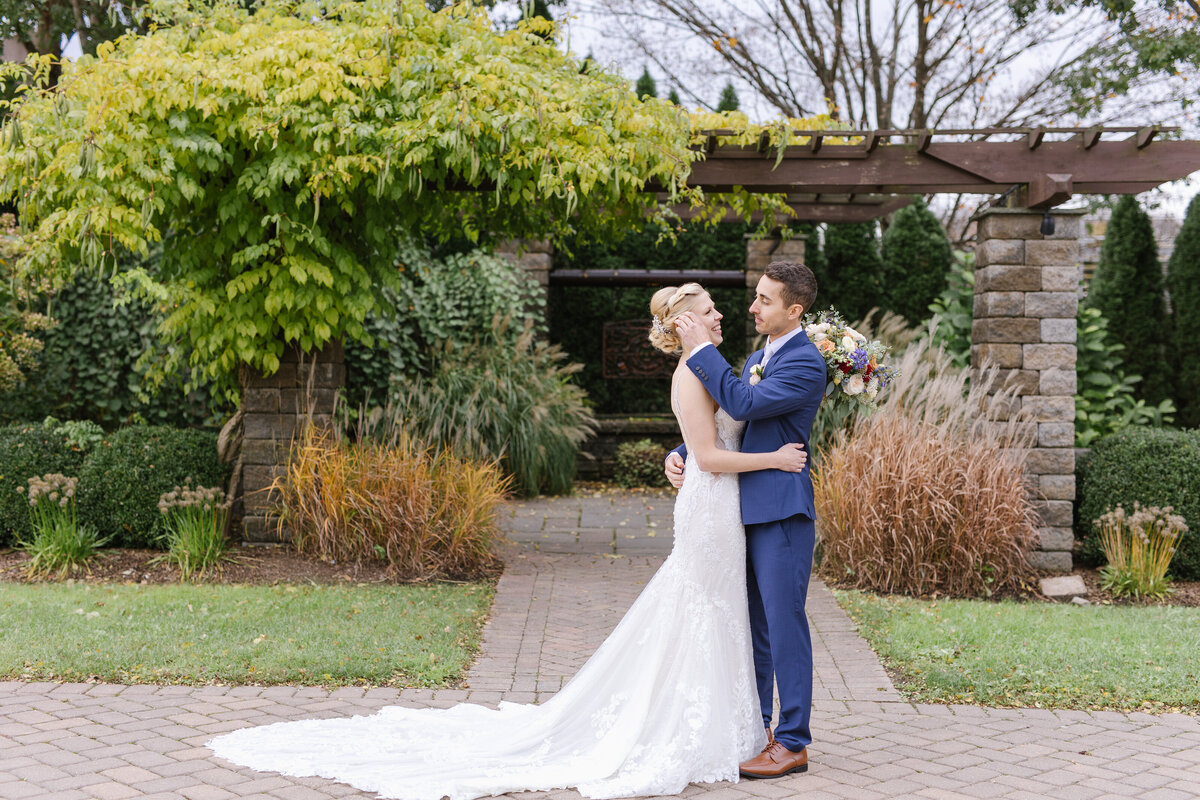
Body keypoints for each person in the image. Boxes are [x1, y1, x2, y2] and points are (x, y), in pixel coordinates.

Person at [206, 282, 809, 800]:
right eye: (710, 310)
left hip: (724, 510)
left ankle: (733, 727)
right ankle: (698, 727)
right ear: (684, 321)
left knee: (724, 614)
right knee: (702, 611)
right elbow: (708, 451)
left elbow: (725, 425)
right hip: (712, 511)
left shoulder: (718, 366)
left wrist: (693, 451)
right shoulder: (695, 369)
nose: (725, 315)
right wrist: (765, 458)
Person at [666, 261, 825, 780]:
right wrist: (684, 451)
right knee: (753, 627)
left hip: (780, 508)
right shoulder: (761, 356)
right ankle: (754, 727)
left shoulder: (804, 362)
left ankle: (793, 741)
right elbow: (729, 421)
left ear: (793, 310)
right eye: (755, 296)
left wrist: (700, 351)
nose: (752, 307)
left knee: (783, 626)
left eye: (764, 300)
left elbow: (742, 399)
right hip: (741, 509)